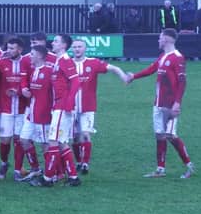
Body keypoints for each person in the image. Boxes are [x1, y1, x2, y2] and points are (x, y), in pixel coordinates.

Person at [126, 28, 195, 179]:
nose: (158, 40)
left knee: (170, 135)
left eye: (160, 38)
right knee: (159, 135)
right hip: (158, 103)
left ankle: (189, 166)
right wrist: (133, 76)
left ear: (167, 39)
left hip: (170, 105)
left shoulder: (177, 57)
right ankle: (160, 169)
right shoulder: (163, 56)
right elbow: (151, 69)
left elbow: (182, 82)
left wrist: (177, 103)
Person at [70, 40, 128, 174]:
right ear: (72, 49)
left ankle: (85, 164)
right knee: (75, 137)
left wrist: (123, 76)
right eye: (75, 47)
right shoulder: (67, 63)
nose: (77, 49)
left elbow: (113, 68)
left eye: (80, 47)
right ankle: (78, 162)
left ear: (85, 49)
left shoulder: (93, 63)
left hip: (88, 106)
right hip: (71, 107)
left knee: (85, 134)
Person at [32, 34, 82, 187]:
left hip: (62, 106)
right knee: (61, 142)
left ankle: (47, 179)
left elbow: (76, 81)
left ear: (64, 45)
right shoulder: (58, 60)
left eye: (56, 41)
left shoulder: (65, 60)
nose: (52, 43)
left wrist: (69, 102)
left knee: (53, 140)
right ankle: (73, 177)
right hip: (59, 105)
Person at [0, 37, 26, 179]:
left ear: (20, 49)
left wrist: (19, 91)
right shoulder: (1, 62)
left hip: (22, 109)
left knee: (19, 140)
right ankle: (4, 163)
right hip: (5, 108)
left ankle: (18, 170)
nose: (9, 51)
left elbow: (31, 82)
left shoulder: (27, 62)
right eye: (8, 47)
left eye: (13, 48)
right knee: (5, 140)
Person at [18, 45, 52, 182]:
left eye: (32, 54)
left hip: (44, 114)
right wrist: (24, 91)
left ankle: (52, 173)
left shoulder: (49, 71)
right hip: (31, 113)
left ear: (39, 56)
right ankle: (36, 169)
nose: (29, 56)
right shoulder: (33, 70)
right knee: (24, 140)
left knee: (46, 145)